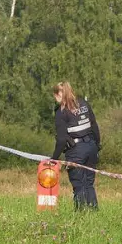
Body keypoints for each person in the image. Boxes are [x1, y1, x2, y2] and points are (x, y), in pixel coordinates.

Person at [48, 82, 101, 210]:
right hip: (91, 147)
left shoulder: (61, 112)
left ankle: (81, 215)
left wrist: (54, 158)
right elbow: (94, 126)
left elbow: (61, 140)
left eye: (55, 95)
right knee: (89, 183)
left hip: (76, 151)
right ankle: (93, 212)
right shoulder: (84, 104)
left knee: (78, 185)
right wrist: (97, 145)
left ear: (59, 94)